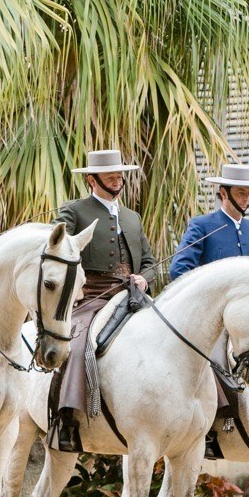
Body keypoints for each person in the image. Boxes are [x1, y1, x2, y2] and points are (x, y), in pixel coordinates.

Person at [48, 149, 159, 453]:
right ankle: (67, 418)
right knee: (78, 342)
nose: (117, 179)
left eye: (119, 174)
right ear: (91, 180)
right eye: (110, 175)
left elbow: (149, 261)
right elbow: (56, 250)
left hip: (132, 293)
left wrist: (144, 277)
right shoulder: (74, 211)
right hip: (92, 294)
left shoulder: (132, 218)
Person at [169, 163, 249, 281]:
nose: (246, 199)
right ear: (223, 193)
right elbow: (179, 270)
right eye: (241, 193)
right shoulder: (202, 226)